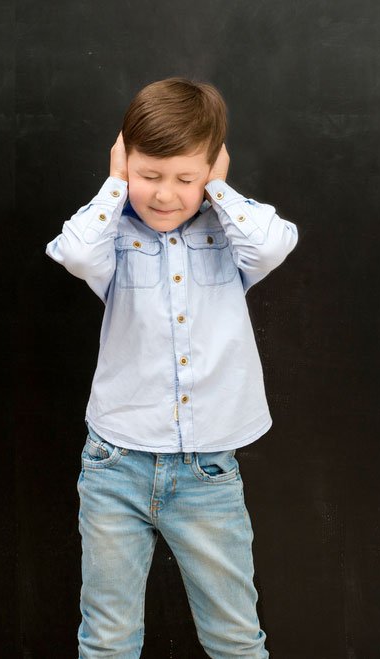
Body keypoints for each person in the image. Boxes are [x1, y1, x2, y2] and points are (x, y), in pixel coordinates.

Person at [45, 78, 298, 657]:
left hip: (207, 472)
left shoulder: (229, 234)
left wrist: (219, 188)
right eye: (148, 175)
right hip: (115, 465)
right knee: (107, 638)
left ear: (210, 169)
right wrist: (114, 183)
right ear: (124, 161)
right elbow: (75, 252)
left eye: (186, 179)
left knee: (235, 636)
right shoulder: (112, 236)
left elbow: (274, 245)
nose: (164, 195)